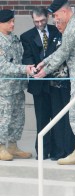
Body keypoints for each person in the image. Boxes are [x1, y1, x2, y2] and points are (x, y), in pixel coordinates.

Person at [34, 0, 75, 165]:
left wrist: (44, 72)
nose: (55, 20)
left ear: (64, 11)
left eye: (56, 15)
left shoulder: (74, 27)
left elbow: (63, 53)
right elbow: (63, 50)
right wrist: (44, 62)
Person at [21, 7, 74, 160]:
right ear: (32, 20)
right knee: (42, 119)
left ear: (47, 18)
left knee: (58, 117)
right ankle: (43, 151)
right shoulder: (27, 36)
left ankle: (59, 151)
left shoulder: (57, 30)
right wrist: (31, 68)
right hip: (39, 84)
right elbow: (28, 56)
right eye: (36, 21)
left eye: (42, 21)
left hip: (56, 83)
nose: (39, 24)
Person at [0, 10, 36, 161]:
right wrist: (24, 69)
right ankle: (1, 147)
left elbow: (21, 58)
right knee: (4, 119)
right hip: (5, 90)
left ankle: (13, 146)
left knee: (18, 118)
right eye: (9, 22)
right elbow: (3, 66)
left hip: (18, 87)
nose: (12, 24)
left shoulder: (14, 39)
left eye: (13, 21)